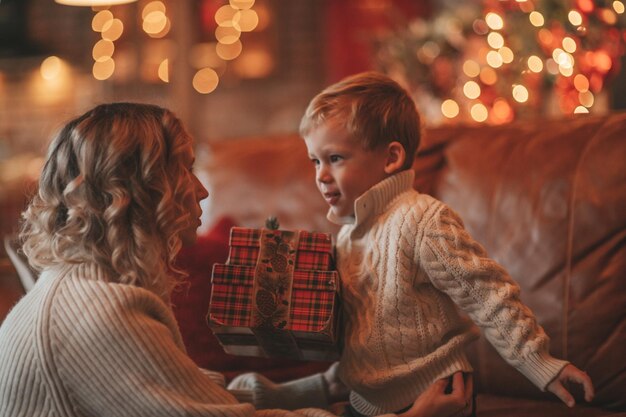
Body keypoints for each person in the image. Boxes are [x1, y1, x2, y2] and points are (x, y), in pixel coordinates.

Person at [0, 102, 472, 417]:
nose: (202, 189)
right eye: (185, 171)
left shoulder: (77, 291)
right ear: (138, 193)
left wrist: (330, 385)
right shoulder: (103, 315)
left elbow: (198, 392)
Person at [294, 72, 595, 417]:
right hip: (370, 403)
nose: (320, 175)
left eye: (335, 158)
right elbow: (360, 331)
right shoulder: (348, 233)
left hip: (435, 396)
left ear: (390, 158)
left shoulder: (424, 220)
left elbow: (488, 295)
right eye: (315, 161)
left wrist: (539, 362)